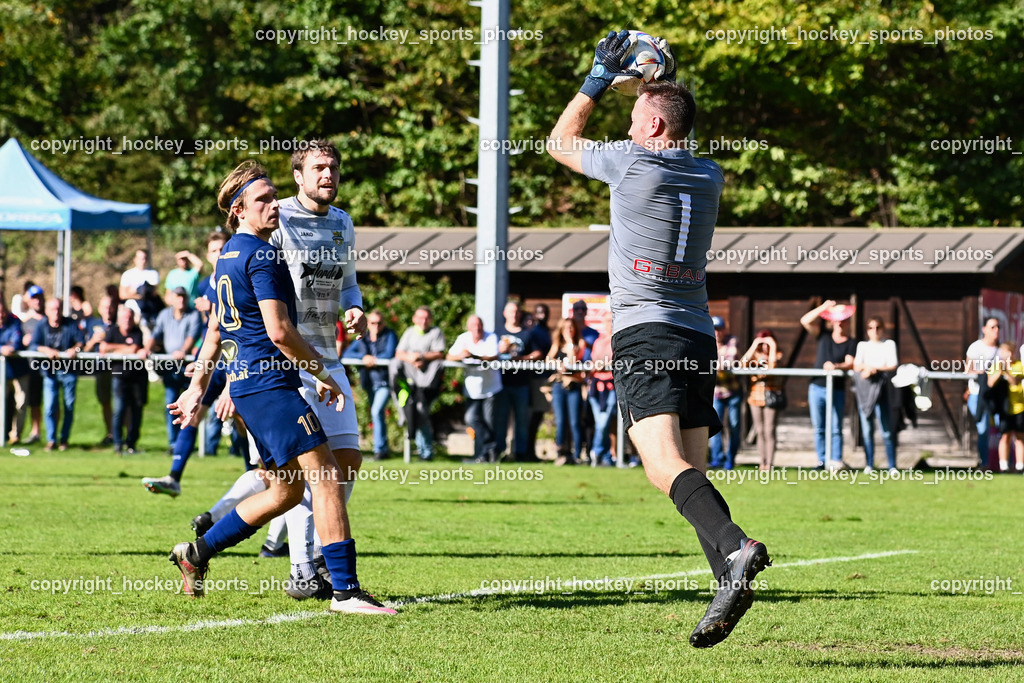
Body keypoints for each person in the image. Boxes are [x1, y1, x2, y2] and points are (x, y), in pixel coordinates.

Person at [548, 38, 770, 648]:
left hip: (645, 331)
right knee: (692, 470)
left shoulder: (632, 162)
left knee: (660, 467)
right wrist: (659, 79)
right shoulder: (707, 172)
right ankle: (729, 584)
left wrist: (596, 80)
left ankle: (736, 549)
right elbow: (677, 116)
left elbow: (559, 143)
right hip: (697, 333)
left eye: (632, 119)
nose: (625, 127)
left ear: (648, 125)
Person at [167, 160, 393, 615]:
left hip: (251, 387)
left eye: (274, 197)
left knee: (285, 492)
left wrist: (197, 386)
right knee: (327, 476)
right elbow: (280, 332)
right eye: (263, 201)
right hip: (272, 385)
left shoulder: (228, 254)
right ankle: (344, 592)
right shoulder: (261, 255)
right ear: (238, 210)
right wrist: (323, 374)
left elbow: (216, 331)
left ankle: (195, 554)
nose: (274, 207)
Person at [142, 286, 202, 451]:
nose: (181, 299)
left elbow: (192, 335)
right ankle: (173, 443)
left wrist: (183, 350)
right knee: (171, 404)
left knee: (191, 406)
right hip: (170, 367)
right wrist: (147, 348)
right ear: (172, 298)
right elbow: (156, 335)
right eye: (178, 296)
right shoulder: (164, 315)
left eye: (183, 296)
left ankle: (186, 443)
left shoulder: (194, 314)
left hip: (188, 366)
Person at [800, 300, 858, 469]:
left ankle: (836, 461)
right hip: (817, 387)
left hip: (837, 389)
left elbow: (850, 363)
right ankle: (822, 460)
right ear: (832, 321)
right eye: (837, 319)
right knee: (819, 427)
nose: (840, 323)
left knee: (835, 427)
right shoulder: (823, 336)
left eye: (843, 320)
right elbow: (805, 321)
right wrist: (824, 308)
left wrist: (836, 366)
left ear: (847, 322)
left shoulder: (851, 342)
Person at [392, 306, 447, 460]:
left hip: (426, 384)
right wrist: (411, 358)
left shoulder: (436, 332)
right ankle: (422, 450)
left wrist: (421, 357)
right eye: (420, 318)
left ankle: (426, 451)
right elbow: (399, 353)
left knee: (421, 411)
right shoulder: (410, 332)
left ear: (431, 319)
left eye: (426, 318)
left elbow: (439, 353)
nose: (423, 321)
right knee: (410, 412)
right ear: (414, 319)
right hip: (409, 383)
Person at [30, 297, 85, 450]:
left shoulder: (70, 324)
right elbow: (33, 345)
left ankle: (64, 439)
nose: (56, 313)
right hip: (50, 371)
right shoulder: (41, 326)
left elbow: (81, 341)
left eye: (59, 309)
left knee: (68, 406)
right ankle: (51, 439)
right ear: (47, 311)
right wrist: (46, 350)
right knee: (49, 407)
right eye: (53, 309)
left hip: (68, 371)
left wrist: (75, 349)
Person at [447, 314, 502, 464]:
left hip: (491, 388)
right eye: (473, 325)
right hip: (472, 389)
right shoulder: (463, 338)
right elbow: (448, 357)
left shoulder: (491, 337)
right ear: (468, 327)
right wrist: (461, 355)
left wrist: (474, 356)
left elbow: (492, 356)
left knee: (489, 422)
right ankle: (486, 450)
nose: (477, 328)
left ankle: (486, 456)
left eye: (479, 325)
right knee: (471, 419)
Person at [343, 309, 398, 459]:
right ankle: (383, 448)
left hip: (385, 382)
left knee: (376, 411)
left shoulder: (389, 335)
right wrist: (363, 357)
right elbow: (347, 353)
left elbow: (390, 353)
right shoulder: (363, 337)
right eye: (373, 323)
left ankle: (379, 450)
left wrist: (373, 359)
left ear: (384, 323)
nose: (376, 326)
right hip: (369, 382)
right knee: (377, 413)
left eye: (379, 323)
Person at [495, 301, 544, 462]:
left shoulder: (527, 334)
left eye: (516, 312)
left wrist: (522, 359)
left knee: (521, 420)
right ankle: (500, 452)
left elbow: (537, 353)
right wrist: (498, 351)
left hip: (521, 383)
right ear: (505, 313)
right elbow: (487, 354)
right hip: (501, 383)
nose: (514, 315)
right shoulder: (498, 333)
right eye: (511, 312)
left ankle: (520, 453)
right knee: (500, 419)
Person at [853, 317, 899, 473]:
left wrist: (875, 369)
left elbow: (892, 365)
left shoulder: (889, 344)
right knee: (867, 430)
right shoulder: (862, 345)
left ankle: (892, 465)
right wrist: (867, 367)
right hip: (865, 391)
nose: (875, 331)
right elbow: (856, 365)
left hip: (883, 391)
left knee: (886, 431)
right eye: (871, 328)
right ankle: (869, 464)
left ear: (883, 328)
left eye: (878, 327)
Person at [101, 304, 148, 455]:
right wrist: (124, 349)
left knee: (136, 411)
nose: (127, 320)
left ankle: (131, 443)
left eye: (129, 317)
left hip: (137, 378)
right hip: (120, 377)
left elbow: (134, 349)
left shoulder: (137, 332)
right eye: (124, 318)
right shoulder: (113, 331)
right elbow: (103, 347)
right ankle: (117, 443)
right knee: (119, 410)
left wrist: (114, 349)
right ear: (119, 320)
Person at [740, 330, 783, 471]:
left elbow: (771, 367)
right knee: (759, 430)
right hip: (755, 396)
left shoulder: (777, 354)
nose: (765, 346)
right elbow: (742, 365)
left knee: (769, 429)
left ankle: (769, 463)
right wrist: (754, 345)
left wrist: (772, 346)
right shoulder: (755, 357)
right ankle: (762, 462)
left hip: (771, 396)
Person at [547, 317, 586, 466]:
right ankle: (561, 452)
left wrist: (571, 346)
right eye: (565, 328)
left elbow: (575, 362)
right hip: (559, 386)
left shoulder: (579, 345)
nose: (568, 330)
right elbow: (548, 359)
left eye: (571, 327)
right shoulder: (557, 345)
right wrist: (557, 363)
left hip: (574, 385)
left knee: (575, 421)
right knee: (561, 420)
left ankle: (577, 454)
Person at [965, 317, 1001, 468]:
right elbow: (967, 369)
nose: (996, 330)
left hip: (996, 394)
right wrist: (982, 374)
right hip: (977, 393)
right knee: (983, 429)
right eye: (992, 327)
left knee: (1002, 427)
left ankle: (1004, 464)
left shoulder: (1000, 350)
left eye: (998, 327)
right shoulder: (975, 347)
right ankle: (984, 463)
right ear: (984, 329)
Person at [83, 295, 118, 446]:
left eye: (110, 306)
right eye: (105, 307)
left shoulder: (119, 323)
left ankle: (121, 434)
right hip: (101, 369)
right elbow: (85, 349)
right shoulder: (93, 324)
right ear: (99, 308)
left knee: (121, 403)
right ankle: (110, 433)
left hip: (118, 369)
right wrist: (93, 341)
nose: (108, 310)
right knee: (105, 402)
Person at [709, 316, 741, 470]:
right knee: (715, 427)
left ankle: (730, 459)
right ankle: (717, 459)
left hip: (732, 391)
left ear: (724, 330)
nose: (717, 332)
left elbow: (730, 361)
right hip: (716, 392)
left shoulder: (732, 341)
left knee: (734, 426)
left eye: (719, 329)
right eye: (714, 329)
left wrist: (712, 365)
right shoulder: (707, 341)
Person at [988, 343, 1024, 472]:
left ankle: (1020, 466)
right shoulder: (997, 366)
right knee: (1004, 436)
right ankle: (1004, 466)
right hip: (1003, 407)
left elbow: (1015, 381)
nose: (1008, 356)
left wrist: (1007, 371)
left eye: (1010, 352)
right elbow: (990, 382)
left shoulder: (1019, 365)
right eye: (1005, 353)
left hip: (1019, 407)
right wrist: (1000, 371)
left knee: (1020, 437)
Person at [16, 284, 46, 444]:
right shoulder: (24, 321)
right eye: (34, 298)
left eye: (39, 297)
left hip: (46, 367)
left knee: (44, 402)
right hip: (28, 367)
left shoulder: (48, 319)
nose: (37, 301)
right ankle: (19, 434)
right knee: (26, 402)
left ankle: (40, 433)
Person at [588, 309, 617, 466]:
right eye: (607, 321)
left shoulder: (618, 340)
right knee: (600, 421)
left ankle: (596, 451)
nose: (609, 324)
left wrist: (604, 365)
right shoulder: (598, 342)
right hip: (596, 386)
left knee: (604, 421)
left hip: (612, 385)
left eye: (612, 320)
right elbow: (592, 363)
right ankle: (604, 456)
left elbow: (618, 363)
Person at [526, 303, 553, 461]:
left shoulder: (545, 331)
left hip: (545, 377)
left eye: (545, 312)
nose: (542, 315)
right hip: (537, 378)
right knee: (534, 416)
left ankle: (530, 450)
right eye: (539, 312)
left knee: (538, 416)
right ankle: (528, 451)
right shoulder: (534, 332)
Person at [0, 299, 27, 442]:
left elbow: (16, 341)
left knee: (21, 404)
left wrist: (7, 347)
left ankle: (15, 436)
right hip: (1, 371)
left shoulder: (15, 321)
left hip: (18, 370)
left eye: (3, 312)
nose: (1, 315)